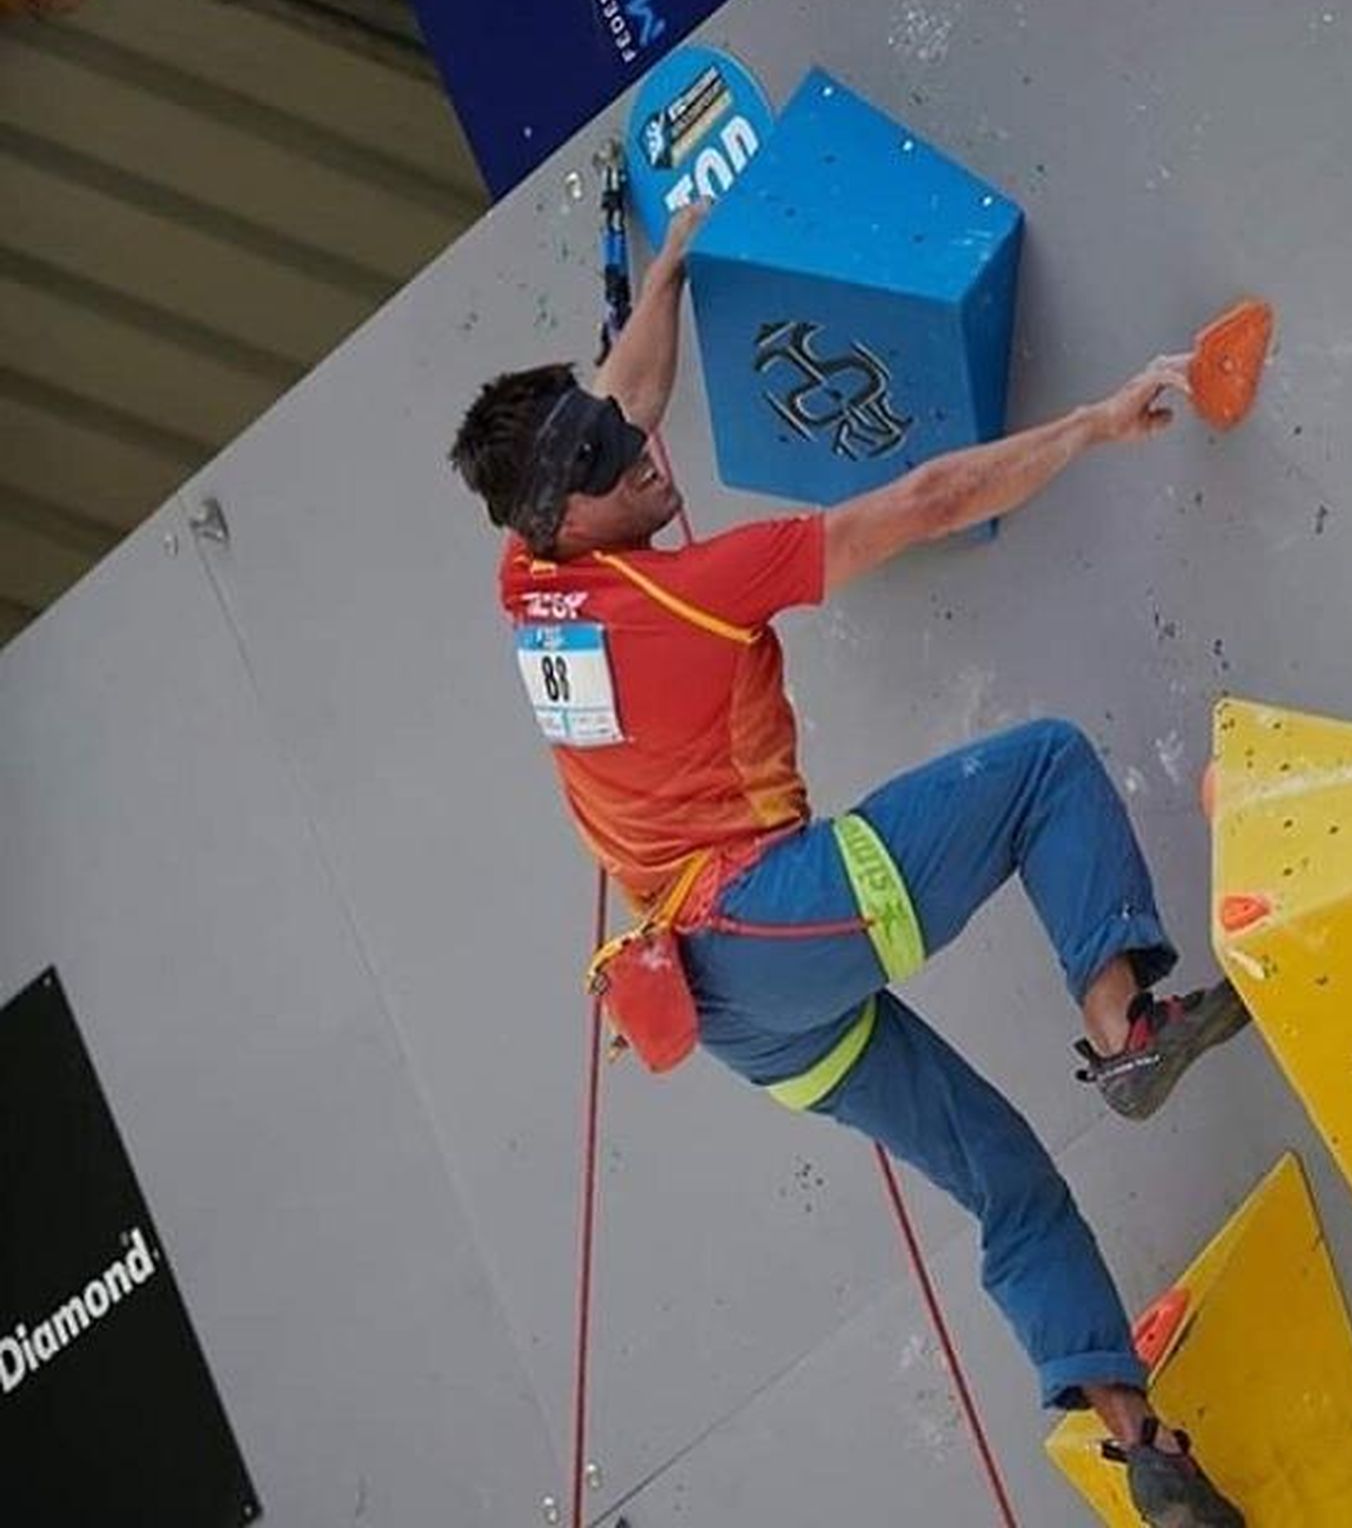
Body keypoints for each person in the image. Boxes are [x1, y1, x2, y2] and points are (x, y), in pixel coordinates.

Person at [451, 204, 1249, 1527]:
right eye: (612, 454)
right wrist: (1101, 423)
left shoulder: (527, 576)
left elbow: (624, 388)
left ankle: (1141, 1448)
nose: (646, 442)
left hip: (735, 1020)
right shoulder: (700, 588)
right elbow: (930, 500)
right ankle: (1123, 1028)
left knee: (1006, 1178)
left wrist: (670, 259)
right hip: (776, 919)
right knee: (1046, 769)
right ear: (570, 510)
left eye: (616, 423)